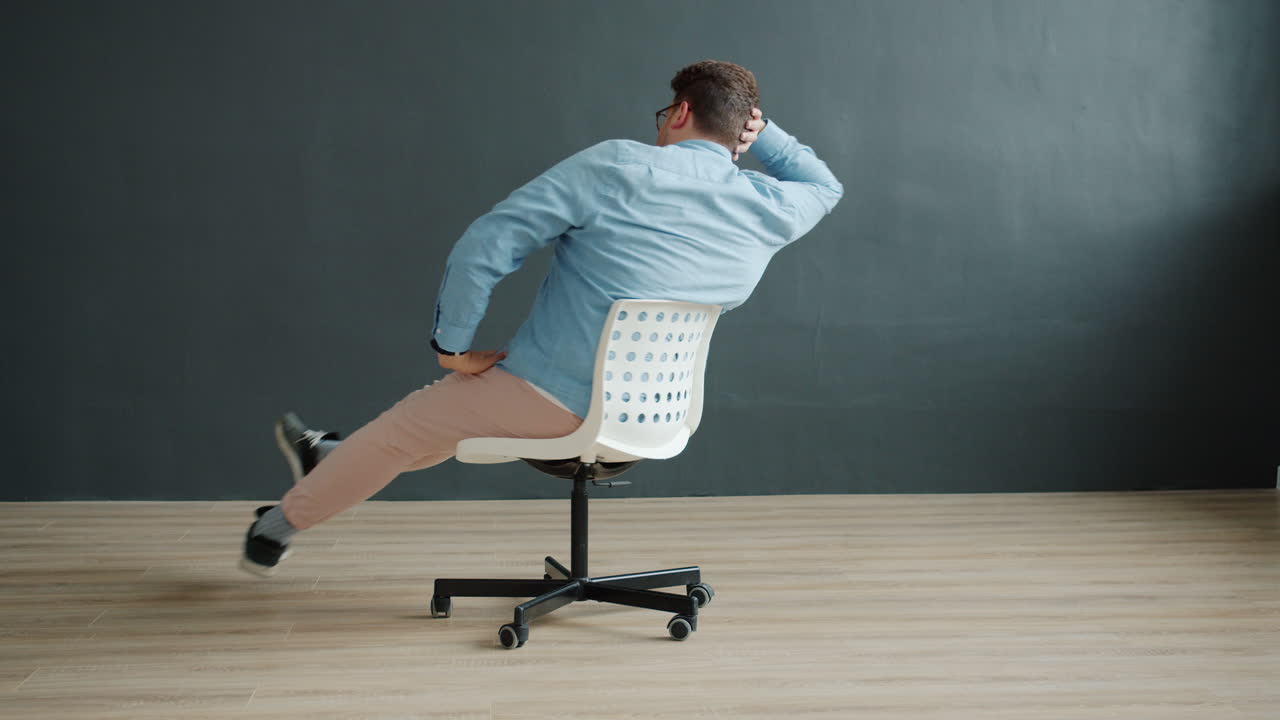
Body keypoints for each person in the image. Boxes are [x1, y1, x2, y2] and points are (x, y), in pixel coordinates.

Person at [241, 59, 843, 576]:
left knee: (410, 425)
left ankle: (273, 529)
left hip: (551, 400)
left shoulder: (617, 166)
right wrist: (765, 135)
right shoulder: (769, 205)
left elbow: (483, 247)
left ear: (680, 112)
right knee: (441, 425)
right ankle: (331, 458)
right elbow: (825, 185)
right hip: (656, 417)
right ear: (741, 131)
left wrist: (453, 348)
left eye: (664, 115)